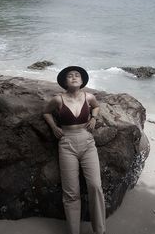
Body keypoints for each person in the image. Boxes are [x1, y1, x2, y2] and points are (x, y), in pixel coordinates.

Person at [43, 66, 106, 234]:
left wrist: (94, 117)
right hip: (66, 144)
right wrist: (54, 127)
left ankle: (100, 230)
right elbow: (46, 112)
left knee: (95, 186)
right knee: (71, 192)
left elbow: (96, 106)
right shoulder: (58, 99)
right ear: (65, 82)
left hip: (87, 142)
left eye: (77, 75)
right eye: (70, 76)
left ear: (82, 80)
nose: (74, 77)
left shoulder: (89, 96)